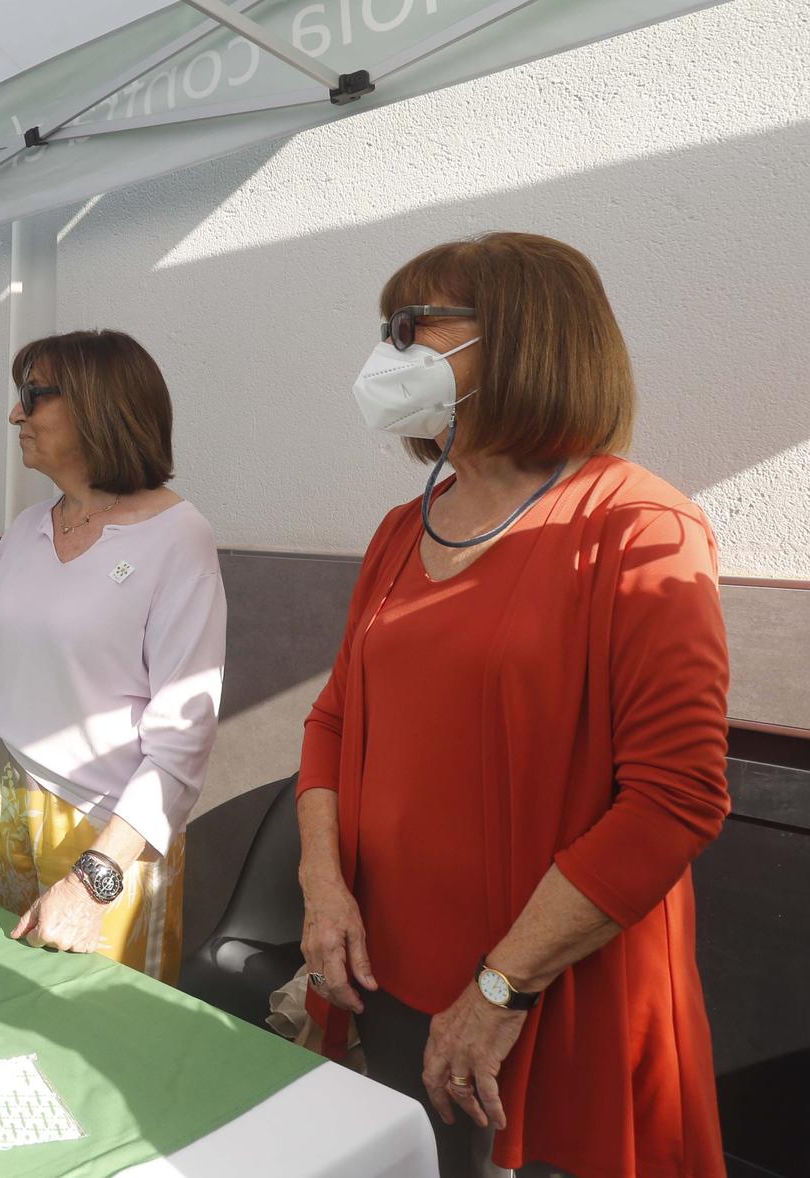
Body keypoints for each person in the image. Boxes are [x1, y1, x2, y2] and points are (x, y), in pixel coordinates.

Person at [296, 233, 729, 1178]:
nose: (390, 352)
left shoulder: (637, 524)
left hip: (543, 994)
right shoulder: (400, 530)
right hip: (390, 971)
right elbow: (333, 721)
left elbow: (676, 797)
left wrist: (500, 987)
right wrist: (322, 887)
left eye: (413, 328)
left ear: (527, 340)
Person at [0, 330, 225, 981]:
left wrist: (97, 877)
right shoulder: (29, 528)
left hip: (104, 834)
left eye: (32, 396)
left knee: (98, 1022)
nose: (14, 415)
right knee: (7, 1003)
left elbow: (183, 739)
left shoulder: (178, 537)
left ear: (98, 405)